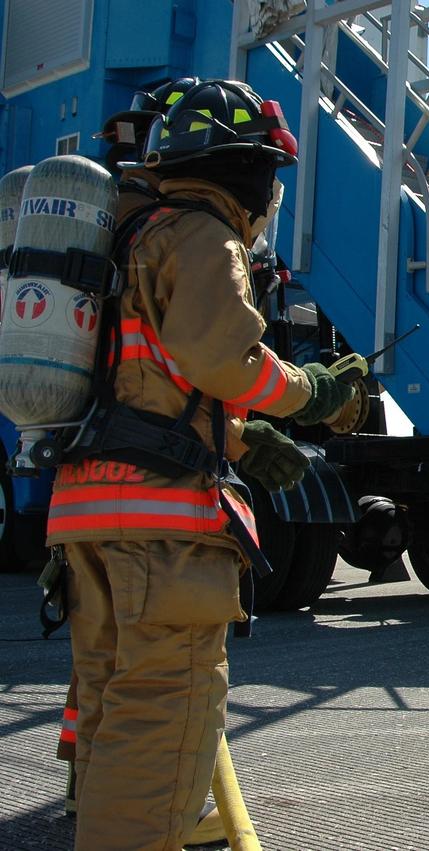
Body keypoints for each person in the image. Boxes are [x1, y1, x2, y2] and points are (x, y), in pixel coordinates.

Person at [48, 79, 355, 849]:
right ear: (241, 169)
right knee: (161, 712)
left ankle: (101, 819)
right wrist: (308, 392)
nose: (270, 196)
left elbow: (146, 385)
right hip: (162, 530)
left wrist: (247, 441)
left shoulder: (125, 236)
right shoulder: (201, 234)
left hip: (87, 512)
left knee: (111, 695)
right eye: (269, 175)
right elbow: (222, 359)